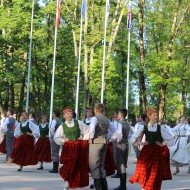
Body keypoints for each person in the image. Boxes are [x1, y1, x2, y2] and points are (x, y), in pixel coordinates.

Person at [129, 109, 174, 190]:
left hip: (157, 153)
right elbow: (133, 138)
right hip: (147, 152)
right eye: (154, 115)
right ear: (149, 116)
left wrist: (162, 144)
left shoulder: (161, 127)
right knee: (144, 172)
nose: (156, 117)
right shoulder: (144, 127)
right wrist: (141, 143)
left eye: (157, 115)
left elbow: (171, 139)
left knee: (155, 174)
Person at [54, 107, 89, 190]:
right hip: (69, 148)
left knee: (77, 166)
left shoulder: (78, 123)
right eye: (67, 114)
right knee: (69, 166)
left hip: (79, 147)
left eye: (71, 113)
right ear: (64, 115)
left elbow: (88, 131)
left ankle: (67, 185)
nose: (70, 115)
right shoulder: (62, 126)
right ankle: (68, 183)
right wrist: (63, 140)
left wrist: (83, 138)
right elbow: (56, 137)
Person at [88, 103, 115, 190]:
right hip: (105, 142)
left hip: (96, 142)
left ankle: (99, 187)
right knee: (101, 165)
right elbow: (113, 130)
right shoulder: (107, 119)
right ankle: (104, 187)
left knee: (94, 165)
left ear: (96, 110)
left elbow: (92, 128)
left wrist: (90, 137)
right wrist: (107, 136)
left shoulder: (95, 118)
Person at [112, 109, 130, 190]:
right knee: (124, 164)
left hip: (121, 144)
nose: (117, 115)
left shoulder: (120, 123)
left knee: (121, 164)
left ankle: (122, 186)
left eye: (118, 114)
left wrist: (114, 139)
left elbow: (119, 135)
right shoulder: (127, 123)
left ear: (121, 114)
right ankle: (123, 185)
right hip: (126, 144)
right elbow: (131, 133)